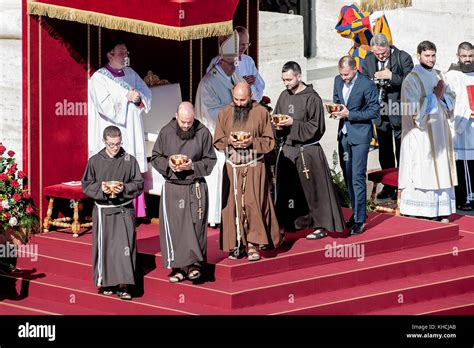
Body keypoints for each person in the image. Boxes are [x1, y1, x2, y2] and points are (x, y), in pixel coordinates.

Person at [273, 61, 346, 240]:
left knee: (313, 190)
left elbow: (317, 127)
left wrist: (293, 123)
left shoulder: (312, 97)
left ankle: (320, 225)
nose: (286, 83)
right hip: (289, 151)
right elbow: (276, 116)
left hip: (308, 151)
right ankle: (291, 224)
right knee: (289, 192)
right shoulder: (284, 96)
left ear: (299, 76)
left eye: (289, 79)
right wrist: (277, 124)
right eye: (284, 80)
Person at [214, 82, 281, 261]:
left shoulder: (261, 113)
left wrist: (252, 141)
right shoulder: (225, 113)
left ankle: (252, 244)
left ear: (250, 96)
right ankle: (237, 244)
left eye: (243, 100)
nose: (239, 103)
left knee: (253, 204)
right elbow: (218, 140)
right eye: (236, 99)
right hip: (233, 168)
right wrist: (230, 141)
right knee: (233, 206)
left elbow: (269, 142)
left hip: (254, 165)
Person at [150, 102, 216, 282]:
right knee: (175, 227)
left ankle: (195, 266)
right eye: (183, 122)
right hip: (173, 186)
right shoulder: (166, 131)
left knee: (195, 226)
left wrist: (192, 166)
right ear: (176, 116)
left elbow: (211, 160)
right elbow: (155, 157)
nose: (187, 126)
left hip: (195, 187)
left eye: (190, 122)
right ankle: (178, 267)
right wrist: (169, 164)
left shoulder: (202, 132)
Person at [88, 40, 151, 218]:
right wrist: (126, 98)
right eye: (121, 53)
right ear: (110, 55)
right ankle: (114, 207)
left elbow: (145, 92)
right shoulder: (99, 78)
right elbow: (104, 107)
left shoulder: (130, 73)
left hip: (132, 129)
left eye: (126, 52)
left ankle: (135, 210)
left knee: (131, 166)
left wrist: (138, 98)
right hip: (114, 131)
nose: (126, 56)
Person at [82, 126, 144, 300]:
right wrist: (101, 189)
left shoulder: (129, 160)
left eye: (117, 144)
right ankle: (108, 282)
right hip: (103, 211)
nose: (115, 148)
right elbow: (86, 185)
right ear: (104, 141)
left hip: (124, 209)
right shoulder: (95, 161)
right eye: (111, 144)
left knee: (125, 248)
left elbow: (139, 184)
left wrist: (124, 188)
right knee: (107, 248)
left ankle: (124, 286)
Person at [399, 41, 457, 222]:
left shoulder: (440, 75)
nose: (431, 59)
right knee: (424, 168)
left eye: (433, 55)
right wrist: (435, 97)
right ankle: (421, 209)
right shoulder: (411, 79)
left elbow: (452, 97)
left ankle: (441, 210)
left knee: (440, 166)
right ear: (418, 56)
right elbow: (412, 109)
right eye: (427, 56)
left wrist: (443, 96)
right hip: (420, 134)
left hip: (440, 131)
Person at [195, 30, 244, 227]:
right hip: (212, 137)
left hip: (232, 134)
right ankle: (214, 217)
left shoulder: (232, 74)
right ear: (221, 63)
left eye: (235, 64)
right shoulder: (208, 83)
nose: (235, 68)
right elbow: (210, 113)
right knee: (216, 176)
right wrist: (235, 111)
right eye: (232, 64)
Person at [362, 33, 414, 200]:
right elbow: (364, 82)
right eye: (377, 54)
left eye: (383, 53)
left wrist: (391, 76)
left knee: (401, 147)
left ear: (389, 47)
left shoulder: (403, 57)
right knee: (384, 148)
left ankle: (403, 183)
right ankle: (389, 185)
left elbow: (411, 82)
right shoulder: (369, 59)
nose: (381, 56)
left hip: (398, 107)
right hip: (380, 109)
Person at [332, 56, 379, 235]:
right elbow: (337, 99)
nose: (343, 78)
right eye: (341, 74)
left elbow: (374, 110)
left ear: (355, 69)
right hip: (343, 134)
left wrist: (350, 114)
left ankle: (360, 219)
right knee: (348, 175)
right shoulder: (337, 80)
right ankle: (355, 211)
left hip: (360, 135)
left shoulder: (367, 84)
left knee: (358, 176)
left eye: (346, 74)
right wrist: (335, 110)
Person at [446, 42, 474, 211]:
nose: (467, 59)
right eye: (464, 56)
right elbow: (448, 100)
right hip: (462, 125)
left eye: (470, 56)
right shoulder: (451, 76)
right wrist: (468, 110)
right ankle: (465, 198)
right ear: (458, 56)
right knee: (463, 163)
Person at [207, 26, 265, 102]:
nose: (244, 48)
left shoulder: (248, 61)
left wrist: (252, 84)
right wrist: (242, 83)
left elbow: (260, 86)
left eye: (247, 44)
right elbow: (213, 87)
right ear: (232, 43)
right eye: (241, 44)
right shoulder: (217, 62)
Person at [335, 2, 392, 72]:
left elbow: (386, 34)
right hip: (361, 56)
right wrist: (369, 19)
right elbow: (350, 28)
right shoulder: (348, 9)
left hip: (380, 56)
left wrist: (390, 53)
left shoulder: (375, 8)